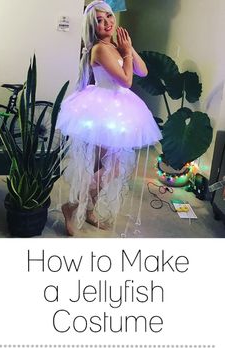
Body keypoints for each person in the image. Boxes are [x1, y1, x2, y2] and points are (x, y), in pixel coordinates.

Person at [57, 0, 162, 236]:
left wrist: (129, 48)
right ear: (92, 27)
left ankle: (88, 208)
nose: (106, 23)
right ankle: (72, 207)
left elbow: (142, 71)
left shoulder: (113, 45)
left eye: (109, 17)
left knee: (106, 167)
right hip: (103, 109)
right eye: (100, 21)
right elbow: (126, 80)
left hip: (118, 110)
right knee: (108, 168)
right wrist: (125, 53)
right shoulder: (100, 49)